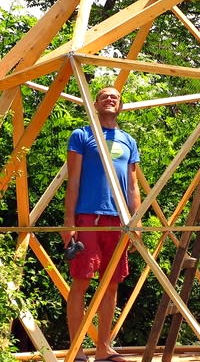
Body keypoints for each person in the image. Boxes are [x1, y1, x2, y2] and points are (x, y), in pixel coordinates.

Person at [61, 86, 140, 362]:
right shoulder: (82, 135)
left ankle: (104, 348)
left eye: (115, 97)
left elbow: (132, 186)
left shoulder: (129, 141)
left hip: (118, 221)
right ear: (95, 104)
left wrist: (135, 223)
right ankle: (77, 349)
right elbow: (73, 181)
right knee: (81, 281)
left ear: (120, 106)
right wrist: (68, 222)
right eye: (104, 96)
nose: (110, 99)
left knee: (112, 284)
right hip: (88, 217)